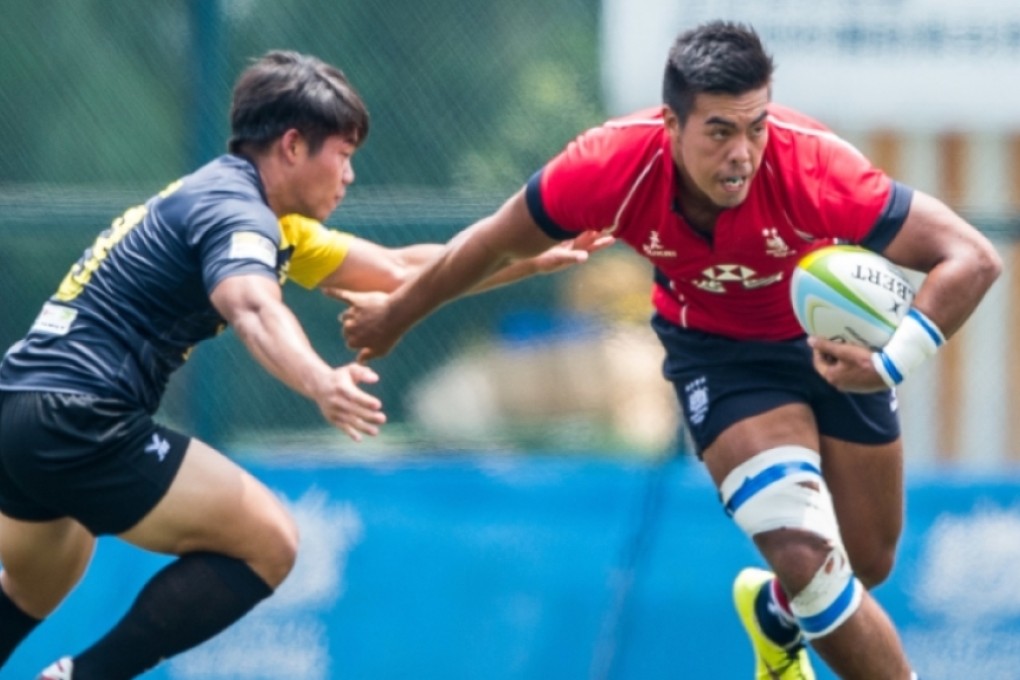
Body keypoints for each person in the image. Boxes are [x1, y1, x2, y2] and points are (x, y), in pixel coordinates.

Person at [338, 21, 1002, 680]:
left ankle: (775, 615)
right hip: (722, 358)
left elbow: (972, 257)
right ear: (671, 124)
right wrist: (398, 314)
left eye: (756, 127)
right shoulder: (606, 166)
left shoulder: (816, 168)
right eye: (719, 131)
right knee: (806, 555)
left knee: (865, 564)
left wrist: (886, 364)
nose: (742, 153)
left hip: (836, 353)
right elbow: (492, 244)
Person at [0, 50, 606, 680]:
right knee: (268, 541)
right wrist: (321, 380)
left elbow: (399, 269)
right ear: (292, 146)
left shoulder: (265, 217)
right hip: (81, 414)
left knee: (40, 581)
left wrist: (527, 255)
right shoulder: (237, 212)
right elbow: (252, 307)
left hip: (18, 411)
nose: (349, 175)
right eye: (342, 154)